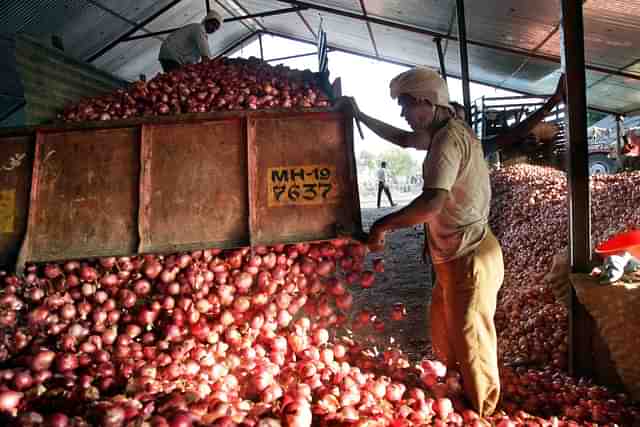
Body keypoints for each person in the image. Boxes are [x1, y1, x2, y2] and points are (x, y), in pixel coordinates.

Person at [338, 67, 504, 416]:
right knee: (446, 332)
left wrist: (381, 225)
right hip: (454, 256)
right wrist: (359, 115)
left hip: (469, 256)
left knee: (471, 338)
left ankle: (483, 412)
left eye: (405, 106)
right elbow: (402, 139)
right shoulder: (444, 130)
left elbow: (432, 203)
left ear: (426, 103)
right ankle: (456, 394)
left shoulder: (446, 142)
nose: (403, 115)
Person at [450, 75, 566, 161]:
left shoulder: (474, 147)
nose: (460, 126)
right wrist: (553, 101)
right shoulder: (444, 153)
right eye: (456, 119)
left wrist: (553, 101)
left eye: (461, 121)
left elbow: (515, 134)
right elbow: (515, 134)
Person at [158, 10, 224, 73]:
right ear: (207, 20)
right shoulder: (198, 28)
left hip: (171, 56)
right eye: (213, 24)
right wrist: (209, 66)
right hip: (172, 55)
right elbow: (204, 50)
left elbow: (194, 57)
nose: (213, 29)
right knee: (178, 77)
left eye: (216, 28)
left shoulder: (200, 32)